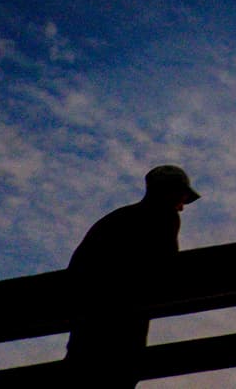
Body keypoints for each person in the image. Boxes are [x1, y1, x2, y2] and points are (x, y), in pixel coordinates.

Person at [66, 164, 201, 388]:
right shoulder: (164, 217)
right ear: (171, 192)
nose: (181, 208)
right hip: (123, 323)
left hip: (87, 322)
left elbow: (77, 270)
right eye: (182, 199)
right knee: (122, 372)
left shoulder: (114, 219)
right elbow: (169, 270)